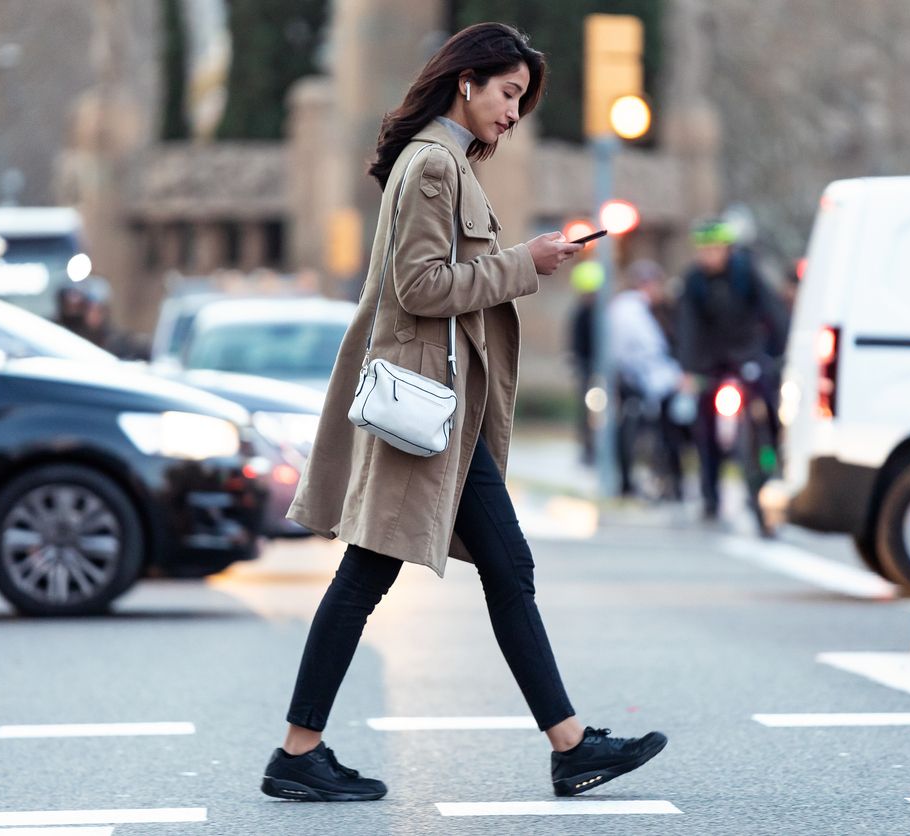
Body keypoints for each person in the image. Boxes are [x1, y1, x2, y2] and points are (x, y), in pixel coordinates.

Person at [264, 22, 668, 803]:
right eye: (508, 94)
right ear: (467, 83)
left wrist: (524, 260)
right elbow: (419, 287)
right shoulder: (432, 167)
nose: (513, 112)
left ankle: (570, 745)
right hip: (424, 411)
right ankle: (297, 751)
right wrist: (526, 265)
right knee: (369, 573)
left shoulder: (444, 164)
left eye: (521, 99)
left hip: (444, 415)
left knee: (501, 569)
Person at [676, 218, 787, 519]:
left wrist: (783, 350)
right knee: (705, 427)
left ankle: (769, 463)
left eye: (715, 249)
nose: (709, 256)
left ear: (727, 249)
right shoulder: (694, 281)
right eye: (704, 250)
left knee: (765, 405)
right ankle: (710, 497)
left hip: (746, 353)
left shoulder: (746, 273)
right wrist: (687, 369)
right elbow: (687, 326)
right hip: (710, 361)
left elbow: (772, 310)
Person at [610, 259, 686, 499]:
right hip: (640, 382)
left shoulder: (626, 307)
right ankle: (666, 482)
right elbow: (651, 349)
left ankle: (643, 482)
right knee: (654, 433)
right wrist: (674, 377)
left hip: (635, 379)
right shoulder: (632, 309)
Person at [567, 259, 603, 464]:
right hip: (587, 369)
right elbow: (575, 343)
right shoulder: (581, 314)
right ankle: (588, 449)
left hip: (601, 370)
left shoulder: (602, 313)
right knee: (586, 410)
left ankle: (598, 447)